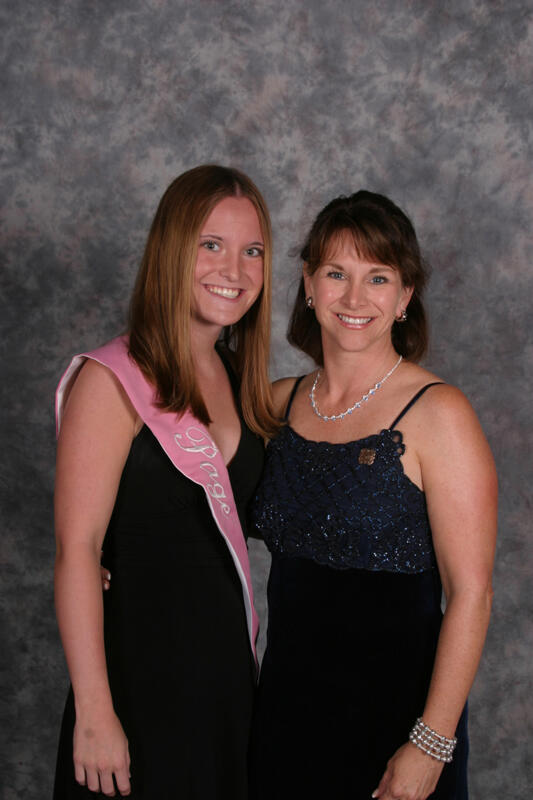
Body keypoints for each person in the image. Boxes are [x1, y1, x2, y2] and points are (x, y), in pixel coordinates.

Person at [249, 190, 497, 800]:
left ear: (405, 297)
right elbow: (185, 480)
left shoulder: (439, 413)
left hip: (399, 729)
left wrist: (431, 744)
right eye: (336, 273)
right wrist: (108, 547)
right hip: (284, 716)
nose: (355, 299)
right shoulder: (275, 403)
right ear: (309, 283)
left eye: (377, 277)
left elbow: (472, 593)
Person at [53, 165, 278, 799]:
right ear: (170, 249)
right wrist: (96, 713)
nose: (232, 270)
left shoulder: (239, 378)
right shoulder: (112, 380)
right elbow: (76, 552)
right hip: (135, 691)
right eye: (211, 244)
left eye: (252, 251)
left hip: (227, 694)